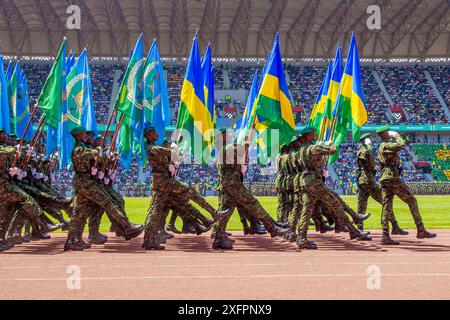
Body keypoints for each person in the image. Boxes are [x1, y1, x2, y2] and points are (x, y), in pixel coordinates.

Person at [142, 124, 229, 250]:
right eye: (154, 132)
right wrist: (174, 149)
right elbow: (170, 153)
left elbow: (169, 152)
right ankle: (213, 213)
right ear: (149, 135)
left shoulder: (153, 146)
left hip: (162, 181)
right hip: (163, 182)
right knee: (190, 191)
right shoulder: (152, 148)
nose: (156, 134)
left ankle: (148, 240)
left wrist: (177, 142)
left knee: (160, 210)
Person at [64, 127, 143, 251]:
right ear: (78, 136)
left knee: (79, 213)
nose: (86, 136)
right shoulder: (79, 149)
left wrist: (110, 159)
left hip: (87, 182)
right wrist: (99, 152)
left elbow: (99, 161)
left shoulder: (85, 148)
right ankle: (126, 227)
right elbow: (90, 155)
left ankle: (73, 240)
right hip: (85, 183)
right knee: (107, 202)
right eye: (84, 134)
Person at [295, 126, 370, 250]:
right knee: (335, 204)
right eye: (314, 133)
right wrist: (329, 144)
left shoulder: (302, 149)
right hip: (314, 181)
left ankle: (301, 238)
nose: (315, 134)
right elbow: (333, 151)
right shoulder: (313, 147)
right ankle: (353, 230)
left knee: (307, 210)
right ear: (308, 136)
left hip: (305, 181)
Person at [212, 130, 288, 250]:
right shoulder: (228, 148)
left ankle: (219, 237)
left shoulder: (225, 148)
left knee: (226, 211)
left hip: (230, 183)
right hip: (233, 184)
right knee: (253, 204)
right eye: (229, 134)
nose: (232, 135)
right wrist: (249, 137)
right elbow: (243, 149)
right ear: (223, 136)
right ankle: (273, 227)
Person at [376, 126, 436, 245]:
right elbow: (401, 145)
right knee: (412, 200)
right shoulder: (386, 145)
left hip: (385, 178)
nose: (389, 132)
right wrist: (396, 135)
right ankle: (420, 229)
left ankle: (385, 235)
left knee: (387, 207)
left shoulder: (382, 145)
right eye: (387, 131)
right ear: (383, 134)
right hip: (391, 177)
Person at [356, 133, 406, 234]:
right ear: (363, 141)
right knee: (385, 202)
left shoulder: (365, 150)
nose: (370, 140)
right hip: (367, 181)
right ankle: (395, 226)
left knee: (361, 204)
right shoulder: (363, 150)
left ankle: (359, 229)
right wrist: (368, 146)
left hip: (364, 181)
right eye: (367, 139)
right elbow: (366, 156)